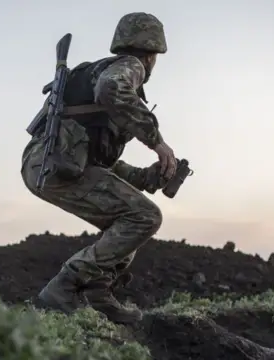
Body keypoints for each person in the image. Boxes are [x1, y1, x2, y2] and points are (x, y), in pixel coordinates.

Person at [20, 12, 177, 324]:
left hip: (48, 164)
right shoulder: (128, 68)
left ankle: (98, 294)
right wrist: (156, 141)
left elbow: (98, 158)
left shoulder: (94, 72)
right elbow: (111, 88)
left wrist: (144, 177)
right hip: (55, 165)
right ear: (151, 54)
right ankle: (65, 285)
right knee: (143, 216)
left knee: (127, 216)